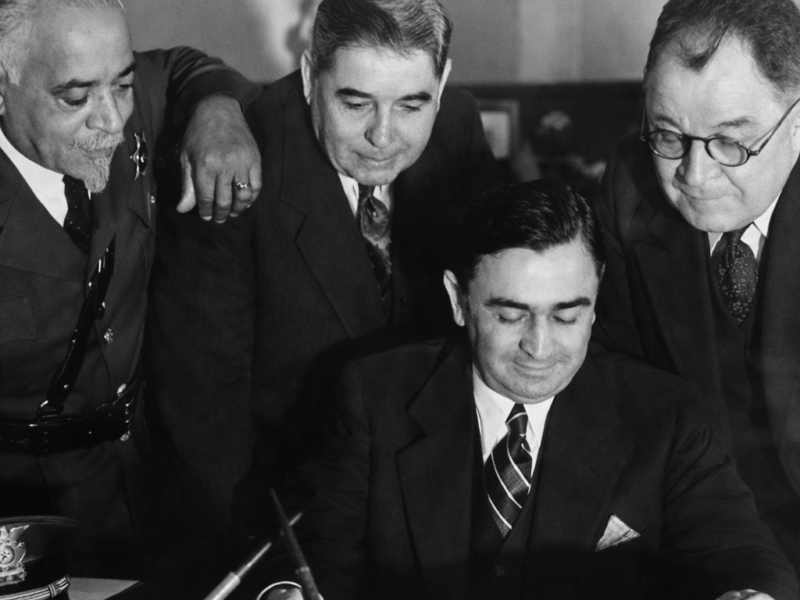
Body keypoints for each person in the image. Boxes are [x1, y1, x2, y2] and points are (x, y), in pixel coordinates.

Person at [255, 180, 798, 600]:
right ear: (458, 300)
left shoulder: (666, 416)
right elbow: (310, 555)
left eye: (566, 315)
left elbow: (741, 555)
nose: (539, 348)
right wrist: (284, 593)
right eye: (511, 315)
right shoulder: (371, 398)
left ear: (596, 298)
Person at [146, 0, 500, 568]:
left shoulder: (457, 124)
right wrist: (266, 572)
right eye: (355, 103)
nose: (382, 136)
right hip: (282, 523)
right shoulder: (239, 158)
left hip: (429, 504)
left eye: (412, 104)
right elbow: (204, 416)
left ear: (442, 83)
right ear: (311, 76)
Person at [0, 0, 261, 579]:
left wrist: (218, 112)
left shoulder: (120, 95)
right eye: (75, 99)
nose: (113, 122)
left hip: (151, 484)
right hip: (25, 522)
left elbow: (184, 68)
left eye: (120, 86)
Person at [593, 0, 800, 572]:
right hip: (695, 531)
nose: (695, 175)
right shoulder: (630, 188)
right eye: (668, 135)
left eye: (731, 143)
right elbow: (612, 381)